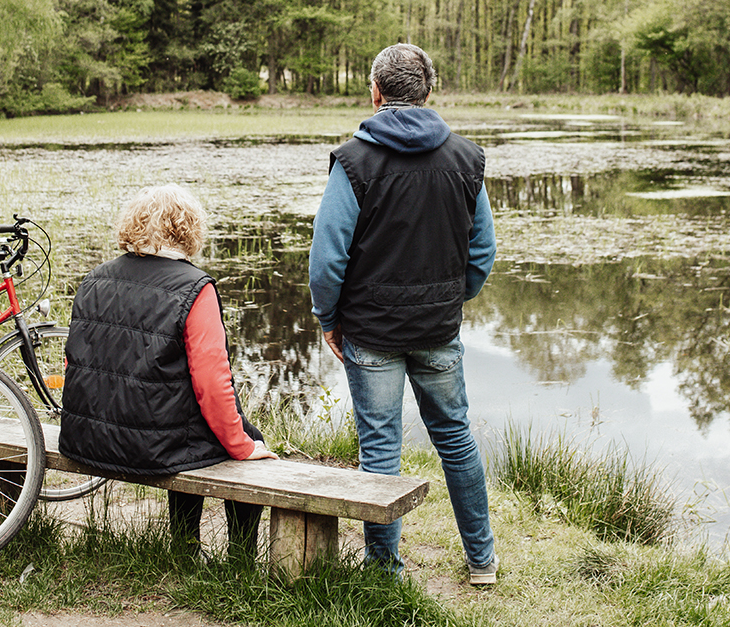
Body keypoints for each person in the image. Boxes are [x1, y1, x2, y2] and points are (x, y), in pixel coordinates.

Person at [307, 43, 499, 585]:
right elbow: (481, 251)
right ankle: (482, 562)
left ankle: (385, 572)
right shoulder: (466, 158)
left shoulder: (354, 160)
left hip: (371, 332)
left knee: (380, 447)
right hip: (438, 330)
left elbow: (328, 256)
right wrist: (451, 298)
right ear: (429, 93)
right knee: (456, 437)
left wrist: (329, 318)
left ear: (375, 92)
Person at [59, 183, 275, 558]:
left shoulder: (94, 278)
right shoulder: (195, 287)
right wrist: (242, 446)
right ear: (189, 230)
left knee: (187, 427)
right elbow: (212, 383)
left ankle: (185, 549)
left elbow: (73, 362)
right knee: (246, 439)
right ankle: (239, 560)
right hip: (149, 447)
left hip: (86, 436)